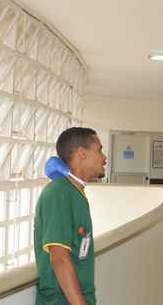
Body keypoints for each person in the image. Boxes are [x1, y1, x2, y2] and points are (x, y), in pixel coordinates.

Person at [34, 127, 108, 305]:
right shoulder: (59, 192)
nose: (104, 157)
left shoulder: (75, 192)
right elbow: (59, 258)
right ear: (82, 153)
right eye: (99, 150)